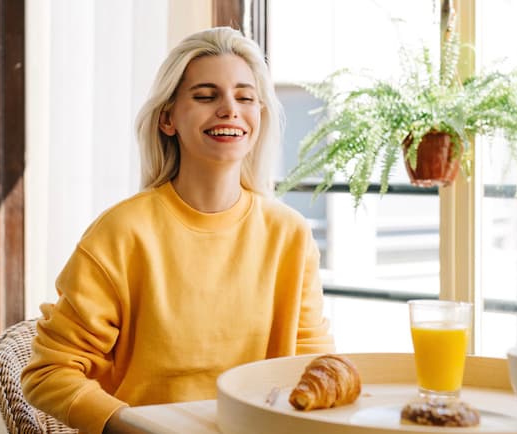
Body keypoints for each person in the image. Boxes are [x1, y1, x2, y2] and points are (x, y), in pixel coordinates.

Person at [21, 26, 335, 434]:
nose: (229, 109)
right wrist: (135, 427)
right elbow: (49, 372)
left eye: (245, 97)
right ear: (168, 118)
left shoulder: (288, 234)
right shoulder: (122, 232)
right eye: (206, 96)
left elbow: (311, 366)